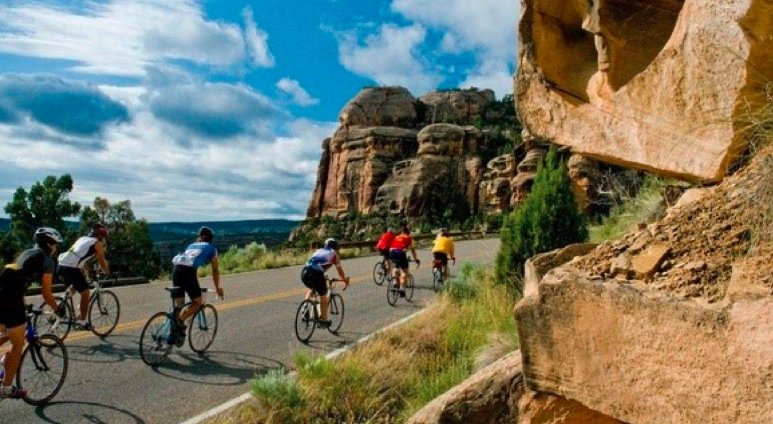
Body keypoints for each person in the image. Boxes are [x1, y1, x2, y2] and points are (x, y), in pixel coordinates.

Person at [0, 227, 62, 399]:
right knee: (18, 345)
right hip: (10, 301)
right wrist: (58, 309)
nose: (56, 248)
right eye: (56, 244)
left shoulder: (26, 253)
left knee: (7, 333)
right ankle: (5, 388)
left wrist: (25, 305)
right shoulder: (47, 261)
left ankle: (6, 362)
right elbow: (47, 294)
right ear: (49, 244)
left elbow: (15, 281)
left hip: (4, 294)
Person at [169, 226, 223, 345]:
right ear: (211, 239)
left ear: (199, 237)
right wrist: (218, 288)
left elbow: (188, 262)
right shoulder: (212, 248)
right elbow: (215, 271)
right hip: (188, 273)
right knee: (197, 302)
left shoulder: (191, 245)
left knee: (180, 305)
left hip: (176, 271)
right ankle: (179, 323)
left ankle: (172, 333)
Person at [57, 223, 111, 330]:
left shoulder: (83, 239)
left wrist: (87, 271)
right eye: (104, 238)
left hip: (61, 265)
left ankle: (60, 307)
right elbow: (101, 260)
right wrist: (107, 272)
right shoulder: (97, 243)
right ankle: (82, 322)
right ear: (100, 237)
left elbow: (81, 257)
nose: (104, 240)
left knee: (75, 286)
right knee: (85, 292)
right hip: (71, 267)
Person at [301, 238, 350, 327]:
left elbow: (315, 264)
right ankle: (323, 321)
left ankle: (305, 308)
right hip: (316, 274)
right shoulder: (334, 254)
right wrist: (345, 280)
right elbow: (340, 271)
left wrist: (322, 276)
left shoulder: (319, 250)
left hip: (305, 272)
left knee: (311, 288)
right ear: (335, 246)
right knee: (323, 297)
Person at [389, 226, 419, 297]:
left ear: (402, 232)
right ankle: (402, 289)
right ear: (409, 233)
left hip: (392, 252)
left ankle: (394, 282)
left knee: (395, 267)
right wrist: (415, 259)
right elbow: (413, 251)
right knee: (405, 271)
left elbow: (393, 246)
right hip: (401, 253)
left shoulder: (397, 237)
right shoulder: (409, 238)